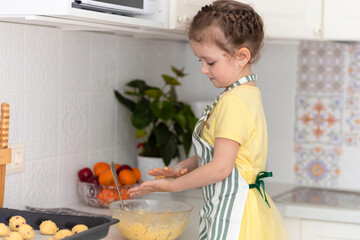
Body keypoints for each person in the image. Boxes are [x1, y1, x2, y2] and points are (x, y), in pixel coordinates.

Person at [128, 0, 289, 239]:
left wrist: (172, 187)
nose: (203, 69)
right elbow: (220, 154)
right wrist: (181, 168)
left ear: (242, 56)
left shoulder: (234, 102)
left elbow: (221, 167)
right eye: (199, 60)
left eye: (210, 61)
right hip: (239, 210)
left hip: (237, 218)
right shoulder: (244, 94)